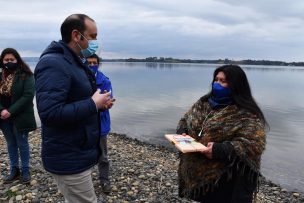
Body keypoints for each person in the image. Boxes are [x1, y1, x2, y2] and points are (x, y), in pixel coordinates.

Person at [34, 14, 111, 203]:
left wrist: (99, 106)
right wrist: (93, 103)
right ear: (76, 35)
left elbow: (74, 100)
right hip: (68, 157)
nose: (95, 42)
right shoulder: (54, 63)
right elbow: (50, 113)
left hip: (77, 151)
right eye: (92, 37)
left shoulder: (74, 62)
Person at [176, 64, 267, 203]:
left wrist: (221, 149)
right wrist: (182, 132)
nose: (217, 84)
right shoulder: (203, 103)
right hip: (199, 171)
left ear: (236, 85)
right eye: (216, 80)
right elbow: (184, 120)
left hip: (228, 177)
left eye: (223, 81)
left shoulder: (246, 112)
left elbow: (254, 144)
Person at [0, 48, 37, 184]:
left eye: (12, 60)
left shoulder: (26, 74)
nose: (9, 62)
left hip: (21, 115)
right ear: (2, 61)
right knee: (11, 143)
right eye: (6, 60)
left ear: (17, 60)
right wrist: (2, 110)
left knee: (22, 143)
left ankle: (25, 170)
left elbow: (28, 95)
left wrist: (10, 111)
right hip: (3, 117)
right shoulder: (0, 75)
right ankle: (14, 170)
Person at [87, 54, 115, 194]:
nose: (92, 65)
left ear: (98, 64)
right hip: (84, 123)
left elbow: (108, 101)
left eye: (94, 63)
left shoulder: (104, 80)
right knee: (83, 152)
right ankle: (84, 182)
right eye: (89, 63)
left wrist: (103, 105)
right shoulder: (80, 78)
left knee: (103, 155)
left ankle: (104, 180)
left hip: (100, 123)